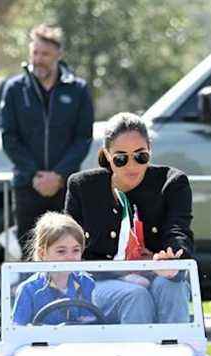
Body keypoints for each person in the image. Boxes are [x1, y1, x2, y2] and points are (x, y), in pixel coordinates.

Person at [65, 112, 193, 324]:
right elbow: (70, 246)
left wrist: (170, 258)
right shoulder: (82, 187)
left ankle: (176, 352)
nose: (132, 166)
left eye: (140, 156)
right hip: (98, 281)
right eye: (121, 158)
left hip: (155, 272)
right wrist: (120, 274)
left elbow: (178, 229)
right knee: (135, 295)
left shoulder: (172, 183)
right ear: (106, 155)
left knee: (172, 286)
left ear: (150, 148)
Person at [0, 23, 94, 245]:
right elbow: (8, 137)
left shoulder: (78, 90)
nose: (38, 59)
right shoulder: (14, 89)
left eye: (45, 54)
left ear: (58, 55)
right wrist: (35, 175)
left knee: (67, 250)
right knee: (30, 251)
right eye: (35, 53)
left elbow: (83, 139)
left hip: (65, 186)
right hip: (27, 184)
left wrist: (58, 175)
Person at [12, 212, 97, 326]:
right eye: (61, 251)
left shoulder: (86, 283)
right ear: (42, 254)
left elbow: (92, 325)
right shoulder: (29, 290)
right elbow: (17, 330)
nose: (70, 257)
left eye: (76, 250)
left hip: (78, 343)